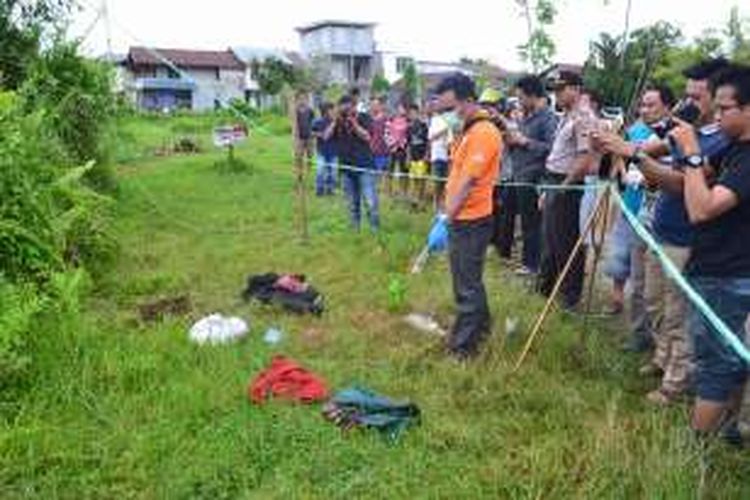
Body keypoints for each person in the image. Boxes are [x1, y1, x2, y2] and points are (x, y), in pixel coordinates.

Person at [668, 64, 750, 437]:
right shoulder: (734, 148)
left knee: (716, 363)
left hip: (726, 273)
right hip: (720, 268)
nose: (715, 116)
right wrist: (636, 156)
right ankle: (726, 431)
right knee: (730, 359)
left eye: (724, 108)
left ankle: (694, 451)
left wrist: (691, 152)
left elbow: (699, 209)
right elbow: (690, 185)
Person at [437, 73, 503, 360]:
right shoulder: (468, 130)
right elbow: (457, 175)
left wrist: (447, 217)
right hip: (461, 216)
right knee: (469, 279)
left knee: (466, 285)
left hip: (470, 219)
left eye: (452, 109)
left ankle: (464, 348)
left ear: (468, 101)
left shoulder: (484, 133)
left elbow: (468, 182)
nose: (450, 115)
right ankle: (483, 326)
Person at [538, 71, 598, 311]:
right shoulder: (567, 115)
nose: (557, 94)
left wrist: (564, 187)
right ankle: (548, 289)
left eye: (561, 89)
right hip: (554, 179)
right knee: (552, 239)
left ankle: (570, 297)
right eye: (554, 90)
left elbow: (585, 159)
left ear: (576, 89)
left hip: (567, 183)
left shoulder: (584, 117)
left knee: (566, 241)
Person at [504, 75, 558, 275]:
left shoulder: (548, 118)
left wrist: (525, 142)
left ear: (532, 95)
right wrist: (512, 141)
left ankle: (534, 265)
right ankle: (529, 261)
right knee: (526, 222)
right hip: (520, 175)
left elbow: (552, 149)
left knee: (534, 224)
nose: (519, 103)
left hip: (535, 178)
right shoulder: (526, 117)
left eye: (521, 98)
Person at [331, 95, 379, 231]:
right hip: (346, 167)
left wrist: (354, 122)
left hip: (364, 166)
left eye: (348, 107)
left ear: (354, 106)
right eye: (343, 108)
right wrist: (335, 121)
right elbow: (326, 136)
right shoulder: (338, 121)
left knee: (370, 201)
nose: (346, 111)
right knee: (352, 202)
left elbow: (367, 136)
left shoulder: (364, 118)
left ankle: (374, 229)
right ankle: (354, 230)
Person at [428, 100, 456, 210]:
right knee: (437, 184)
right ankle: (436, 208)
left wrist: (450, 154)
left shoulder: (449, 119)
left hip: (447, 157)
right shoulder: (434, 120)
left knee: (446, 184)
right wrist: (443, 131)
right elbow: (431, 138)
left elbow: (451, 140)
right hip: (436, 156)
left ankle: (445, 208)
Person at [311, 102, 337, 196]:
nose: (334, 111)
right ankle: (319, 189)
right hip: (321, 151)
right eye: (332, 109)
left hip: (334, 151)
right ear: (326, 111)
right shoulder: (317, 122)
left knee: (333, 172)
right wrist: (319, 134)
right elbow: (313, 133)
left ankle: (330, 189)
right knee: (320, 170)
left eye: (334, 109)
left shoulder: (336, 122)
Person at [407, 103, 430, 205]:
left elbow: (428, 142)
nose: (412, 115)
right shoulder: (409, 127)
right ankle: (415, 199)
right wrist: (408, 156)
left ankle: (421, 200)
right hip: (413, 156)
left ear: (417, 112)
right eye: (410, 113)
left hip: (421, 156)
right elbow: (408, 143)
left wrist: (426, 155)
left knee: (422, 179)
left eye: (413, 113)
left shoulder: (423, 126)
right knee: (415, 179)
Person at [385, 103, 409, 196]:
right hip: (392, 148)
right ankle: (388, 190)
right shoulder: (390, 121)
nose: (401, 110)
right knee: (390, 169)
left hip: (402, 148)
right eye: (399, 108)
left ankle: (403, 191)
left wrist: (402, 143)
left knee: (403, 170)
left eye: (402, 108)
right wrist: (392, 143)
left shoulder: (407, 121)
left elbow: (408, 135)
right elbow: (386, 134)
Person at [369, 97, 391, 181]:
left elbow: (389, 136)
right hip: (371, 152)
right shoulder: (369, 119)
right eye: (372, 105)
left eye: (376, 105)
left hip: (383, 152)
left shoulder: (386, 119)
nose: (374, 107)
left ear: (380, 106)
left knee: (382, 176)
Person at [294, 92, 315, 173]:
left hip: (309, 137)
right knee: (299, 155)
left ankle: (309, 170)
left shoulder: (310, 110)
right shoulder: (295, 111)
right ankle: (299, 171)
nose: (302, 101)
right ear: (297, 100)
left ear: (307, 100)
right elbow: (294, 124)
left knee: (310, 155)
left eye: (304, 99)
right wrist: (296, 137)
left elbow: (313, 122)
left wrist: (313, 135)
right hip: (300, 137)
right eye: (300, 99)